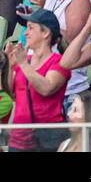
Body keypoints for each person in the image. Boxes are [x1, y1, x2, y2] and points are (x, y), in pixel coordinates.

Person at [6, 9, 71, 152]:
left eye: (31, 28)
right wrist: (8, 67)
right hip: (19, 136)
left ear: (45, 33)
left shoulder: (59, 62)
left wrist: (23, 64)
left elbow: (46, 88)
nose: (25, 33)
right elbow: (8, 92)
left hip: (48, 136)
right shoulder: (24, 61)